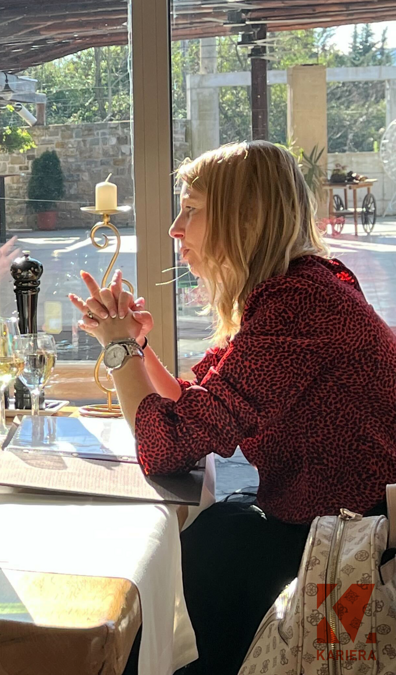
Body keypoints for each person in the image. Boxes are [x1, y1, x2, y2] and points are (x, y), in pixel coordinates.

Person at [69, 141, 396, 674]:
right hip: (324, 519)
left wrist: (120, 348)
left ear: (246, 217)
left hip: (351, 545)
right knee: (203, 542)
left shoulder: (300, 303)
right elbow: (193, 402)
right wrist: (137, 348)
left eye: (191, 209)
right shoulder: (295, 288)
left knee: (198, 556)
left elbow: (166, 446)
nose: (175, 227)